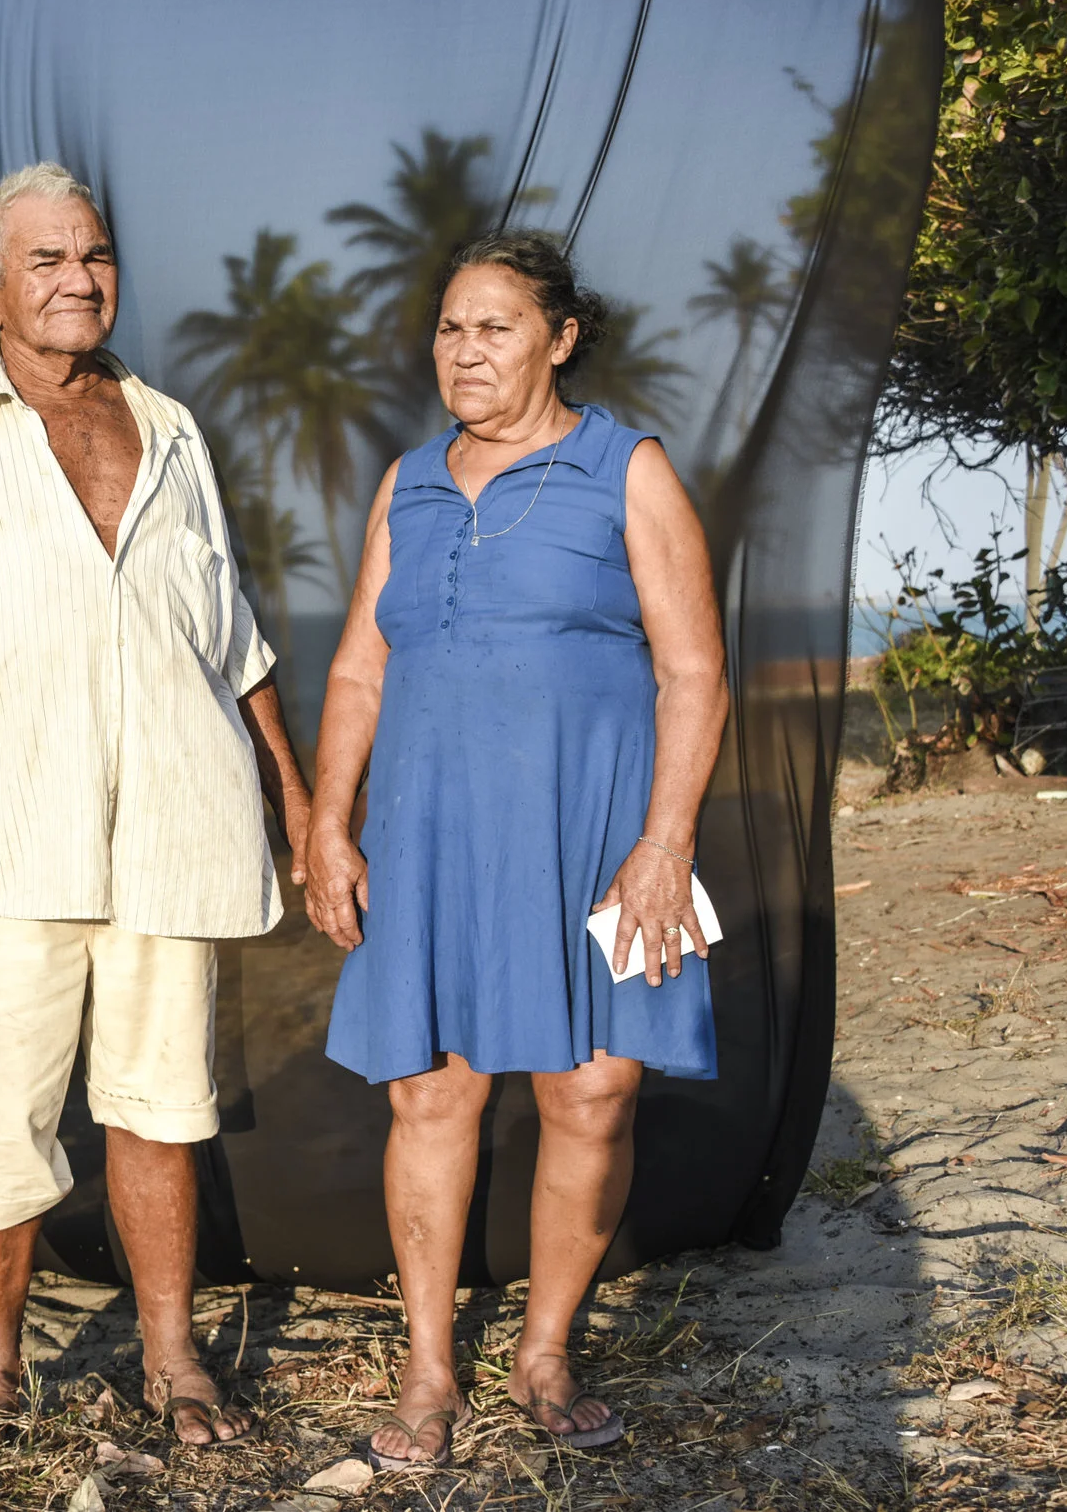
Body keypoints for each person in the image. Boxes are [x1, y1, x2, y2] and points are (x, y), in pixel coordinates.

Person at [0, 163, 310, 1456]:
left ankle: (173, 1359)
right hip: (2, 845)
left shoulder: (172, 431)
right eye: (47, 260)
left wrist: (297, 807)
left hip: (172, 836)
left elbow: (236, 645)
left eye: (93, 254)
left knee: (161, 1108)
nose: (79, 277)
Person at [302, 231, 728, 1465]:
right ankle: (430, 1372)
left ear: (559, 336)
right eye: (448, 327)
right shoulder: (410, 483)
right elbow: (359, 664)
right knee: (431, 1091)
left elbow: (693, 672)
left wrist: (663, 844)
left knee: (591, 1092)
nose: (464, 349)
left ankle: (543, 1350)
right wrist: (330, 819)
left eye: (493, 326)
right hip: (431, 834)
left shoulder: (625, 468)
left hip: (594, 827)